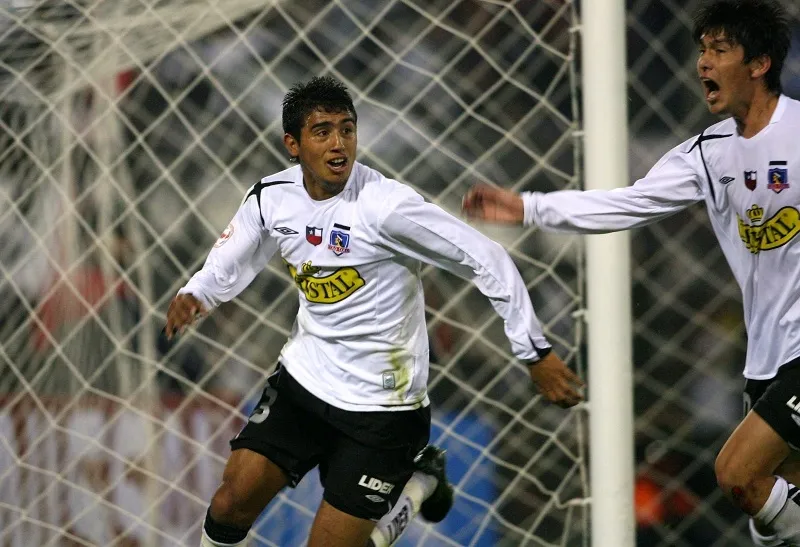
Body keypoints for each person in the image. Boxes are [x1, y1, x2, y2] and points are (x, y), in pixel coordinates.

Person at [165, 76, 583, 547]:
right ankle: (416, 483)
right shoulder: (271, 197)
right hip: (305, 382)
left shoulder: (386, 208)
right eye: (322, 132)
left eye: (347, 129)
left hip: (383, 411)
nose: (339, 143)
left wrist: (534, 351)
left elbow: (488, 258)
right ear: (293, 145)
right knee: (228, 505)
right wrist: (197, 292)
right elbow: (237, 251)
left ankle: (419, 485)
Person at [463, 0, 800, 544]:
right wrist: (529, 207)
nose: (703, 65)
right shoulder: (708, 155)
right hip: (766, 359)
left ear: (759, 63)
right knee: (775, 515)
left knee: (737, 474)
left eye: (719, 51)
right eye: (701, 51)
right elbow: (626, 204)